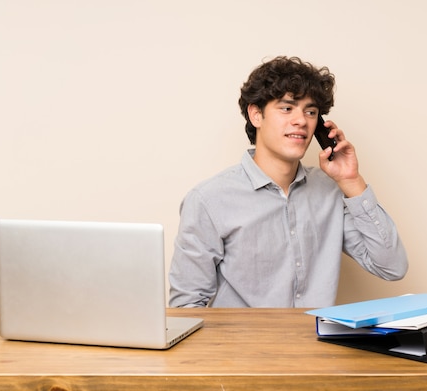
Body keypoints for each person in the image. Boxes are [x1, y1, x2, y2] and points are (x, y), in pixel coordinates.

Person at [168, 56, 408, 308]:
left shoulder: (330, 191)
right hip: (242, 346)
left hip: (317, 344)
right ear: (256, 115)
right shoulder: (209, 200)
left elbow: (391, 267)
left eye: (311, 111)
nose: (301, 120)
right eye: (286, 108)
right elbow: (187, 307)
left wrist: (351, 181)